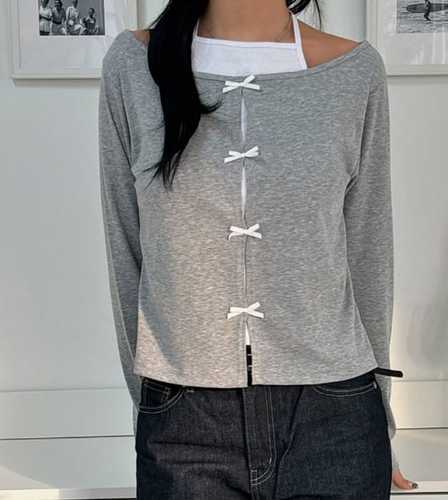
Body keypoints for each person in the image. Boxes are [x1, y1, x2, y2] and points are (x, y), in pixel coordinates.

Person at [98, 0, 418, 497]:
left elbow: (368, 253)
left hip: (336, 418)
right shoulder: (133, 66)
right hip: (184, 421)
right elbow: (125, 251)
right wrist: (150, 406)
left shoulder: (354, 72)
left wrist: (383, 420)